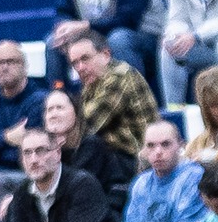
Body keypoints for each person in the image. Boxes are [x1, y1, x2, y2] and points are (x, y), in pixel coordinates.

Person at [0, 41, 49, 216]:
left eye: (11, 61)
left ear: (25, 66)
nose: (4, 67)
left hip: (27, 173)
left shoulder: (40, 100)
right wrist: (6, 138)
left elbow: (29, 150)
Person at [67, 30, 160, 160]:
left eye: (85, 58)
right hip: (116, 158)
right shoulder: (92, 82)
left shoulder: (120, 76)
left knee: (90, 145)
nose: (80, 67)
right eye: (75, 63)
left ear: (105, 54)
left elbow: (86, 124)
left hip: (139, 160)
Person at [41, 89, 136, 213]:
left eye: (59, 108)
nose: (53, 114)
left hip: (103, 212)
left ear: (76, 112)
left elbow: (74, 188)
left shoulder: (91, 144)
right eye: (49, 110)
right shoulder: (46, 150)